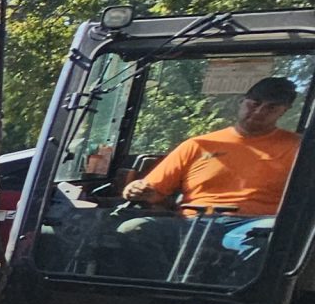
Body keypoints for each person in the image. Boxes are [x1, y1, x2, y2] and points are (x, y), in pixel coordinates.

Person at [125, 75, 303, 217]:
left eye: (271, 108)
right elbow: (154, 191)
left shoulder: (300, 149)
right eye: (255, 104)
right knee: (132, 229)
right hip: (193, 222)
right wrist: (135, 190)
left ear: (284, 111)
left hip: (255, 226)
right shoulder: (199, 145)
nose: (259, 112)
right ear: (241, 102)